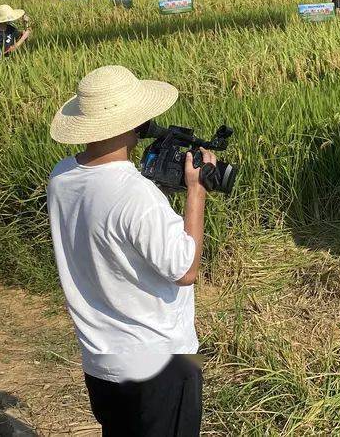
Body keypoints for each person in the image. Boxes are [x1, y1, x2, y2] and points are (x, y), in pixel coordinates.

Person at [47, 65, 215, 436]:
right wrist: (196, 190)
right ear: (130, 124)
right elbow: (184, 270)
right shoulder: (136, 195)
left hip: (101, 359)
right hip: (159, 362)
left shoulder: (61, 176)